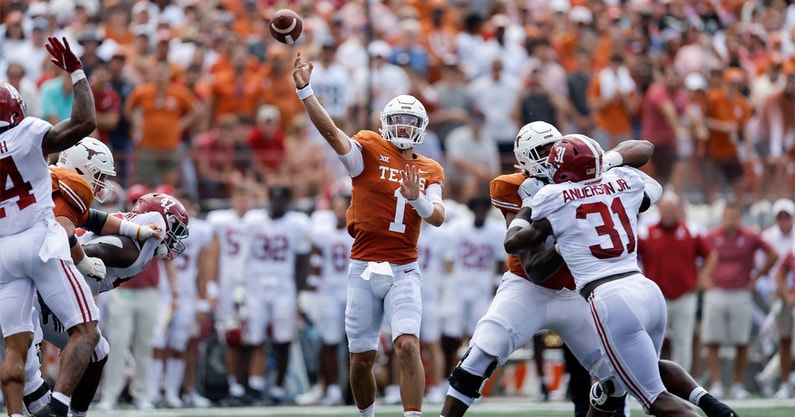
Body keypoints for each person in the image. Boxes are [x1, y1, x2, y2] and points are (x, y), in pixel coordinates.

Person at [439, 122, 729, 417]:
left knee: (621, 375)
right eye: (543, 151)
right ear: (526, 158)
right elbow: (534, 268)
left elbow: (643, 148)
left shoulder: (583, 176)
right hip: (527, 288)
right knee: (481, 354)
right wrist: (566, 242)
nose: (552, 155)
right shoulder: (514, 186)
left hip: (580, 293)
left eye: (555, 147)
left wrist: (602, 160)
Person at [503, 134, 702, 416]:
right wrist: (602, 164)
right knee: (636, 373)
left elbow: (513, 242)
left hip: (608, 296)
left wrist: (529, 207)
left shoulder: (552, 196)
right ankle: (711, 404)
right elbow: (650, 171)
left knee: (651, 396)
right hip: (644, 287)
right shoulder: (620, 181)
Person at [293, 52, 446, 417]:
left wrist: (418, 200)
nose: (405, 128)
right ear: (385, 123)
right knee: (361, 360)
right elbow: (331, 132)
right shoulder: (369, 150)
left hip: (404, 268)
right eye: (398, 121)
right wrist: (305, 92)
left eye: (411, 122)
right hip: (363, 266)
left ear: (421, 127)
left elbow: (437, 216)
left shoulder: (430, 168)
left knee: (408, 345)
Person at [0, 36, 100, 417]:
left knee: (15, 345)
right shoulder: (27, 134)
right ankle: (58, 410)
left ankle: (13, 414)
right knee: (87, 330)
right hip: (40, 240)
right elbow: (86, 121)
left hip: (3, 251)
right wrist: (76, 70)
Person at [241, 185, 311, 404]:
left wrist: (301, 292)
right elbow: (245, 255)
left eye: (281, 199)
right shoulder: (253, 221)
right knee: (254, 337)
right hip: (256, 285)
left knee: (283, 339)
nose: (276, 203)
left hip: (284, 285)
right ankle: (254, 385)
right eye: (273, 198)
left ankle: (278, 389)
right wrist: (239, 285)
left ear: (288, 202)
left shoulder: (296, 224)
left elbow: (302, 261)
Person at [702, 201, 778, 399]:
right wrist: (703, 279)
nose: (731, 221)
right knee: (712, 340)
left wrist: (756, 278)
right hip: (717, 291)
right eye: (728, 216)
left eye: (735, 217)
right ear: (723, 218)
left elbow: (773, 254)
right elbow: (695, 255)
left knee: (741, 341)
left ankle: (737, 384)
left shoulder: (750, 236)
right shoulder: (712, 237)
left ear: (740, 218)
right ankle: (717, 383)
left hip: (741, 292)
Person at [637, 191, 718, 374]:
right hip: (656, 297)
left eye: (672, 208)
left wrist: (701, 278)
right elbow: (632, 256)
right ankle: (650, 380)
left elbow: (711, 255)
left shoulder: (690, 231)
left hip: (685, 295)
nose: (669, 213)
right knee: (652, 341)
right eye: (666, 208)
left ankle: (682, 385)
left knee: (683, 340)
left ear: (678, 210)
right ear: (659, 209)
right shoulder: (645, 232)